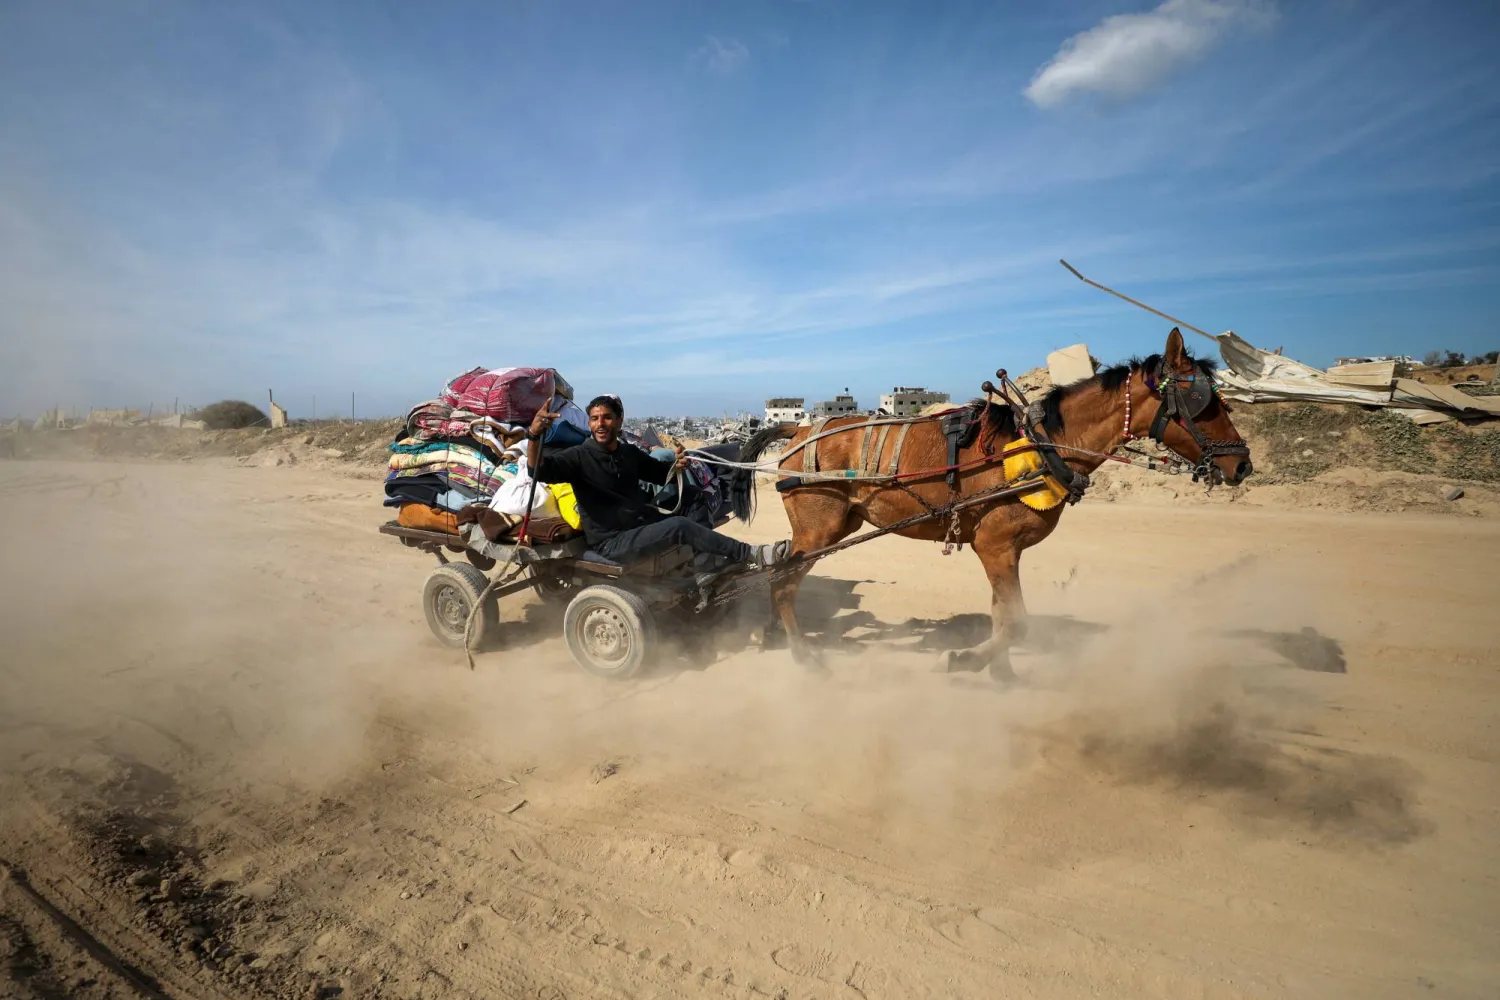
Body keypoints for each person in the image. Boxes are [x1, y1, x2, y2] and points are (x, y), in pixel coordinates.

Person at [527, 395, 789, 571]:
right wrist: (534, 434)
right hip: (612, 541)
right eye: (594, 419)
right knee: (678, 526)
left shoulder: (627, 452)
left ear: (619, 421)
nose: (600, 424)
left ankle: (702, 564)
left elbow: (657, 472)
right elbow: (537, 470)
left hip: (640, 524)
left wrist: (676, 464)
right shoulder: (578, 457)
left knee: (695, 497)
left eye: (606, 417)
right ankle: (750, 554)